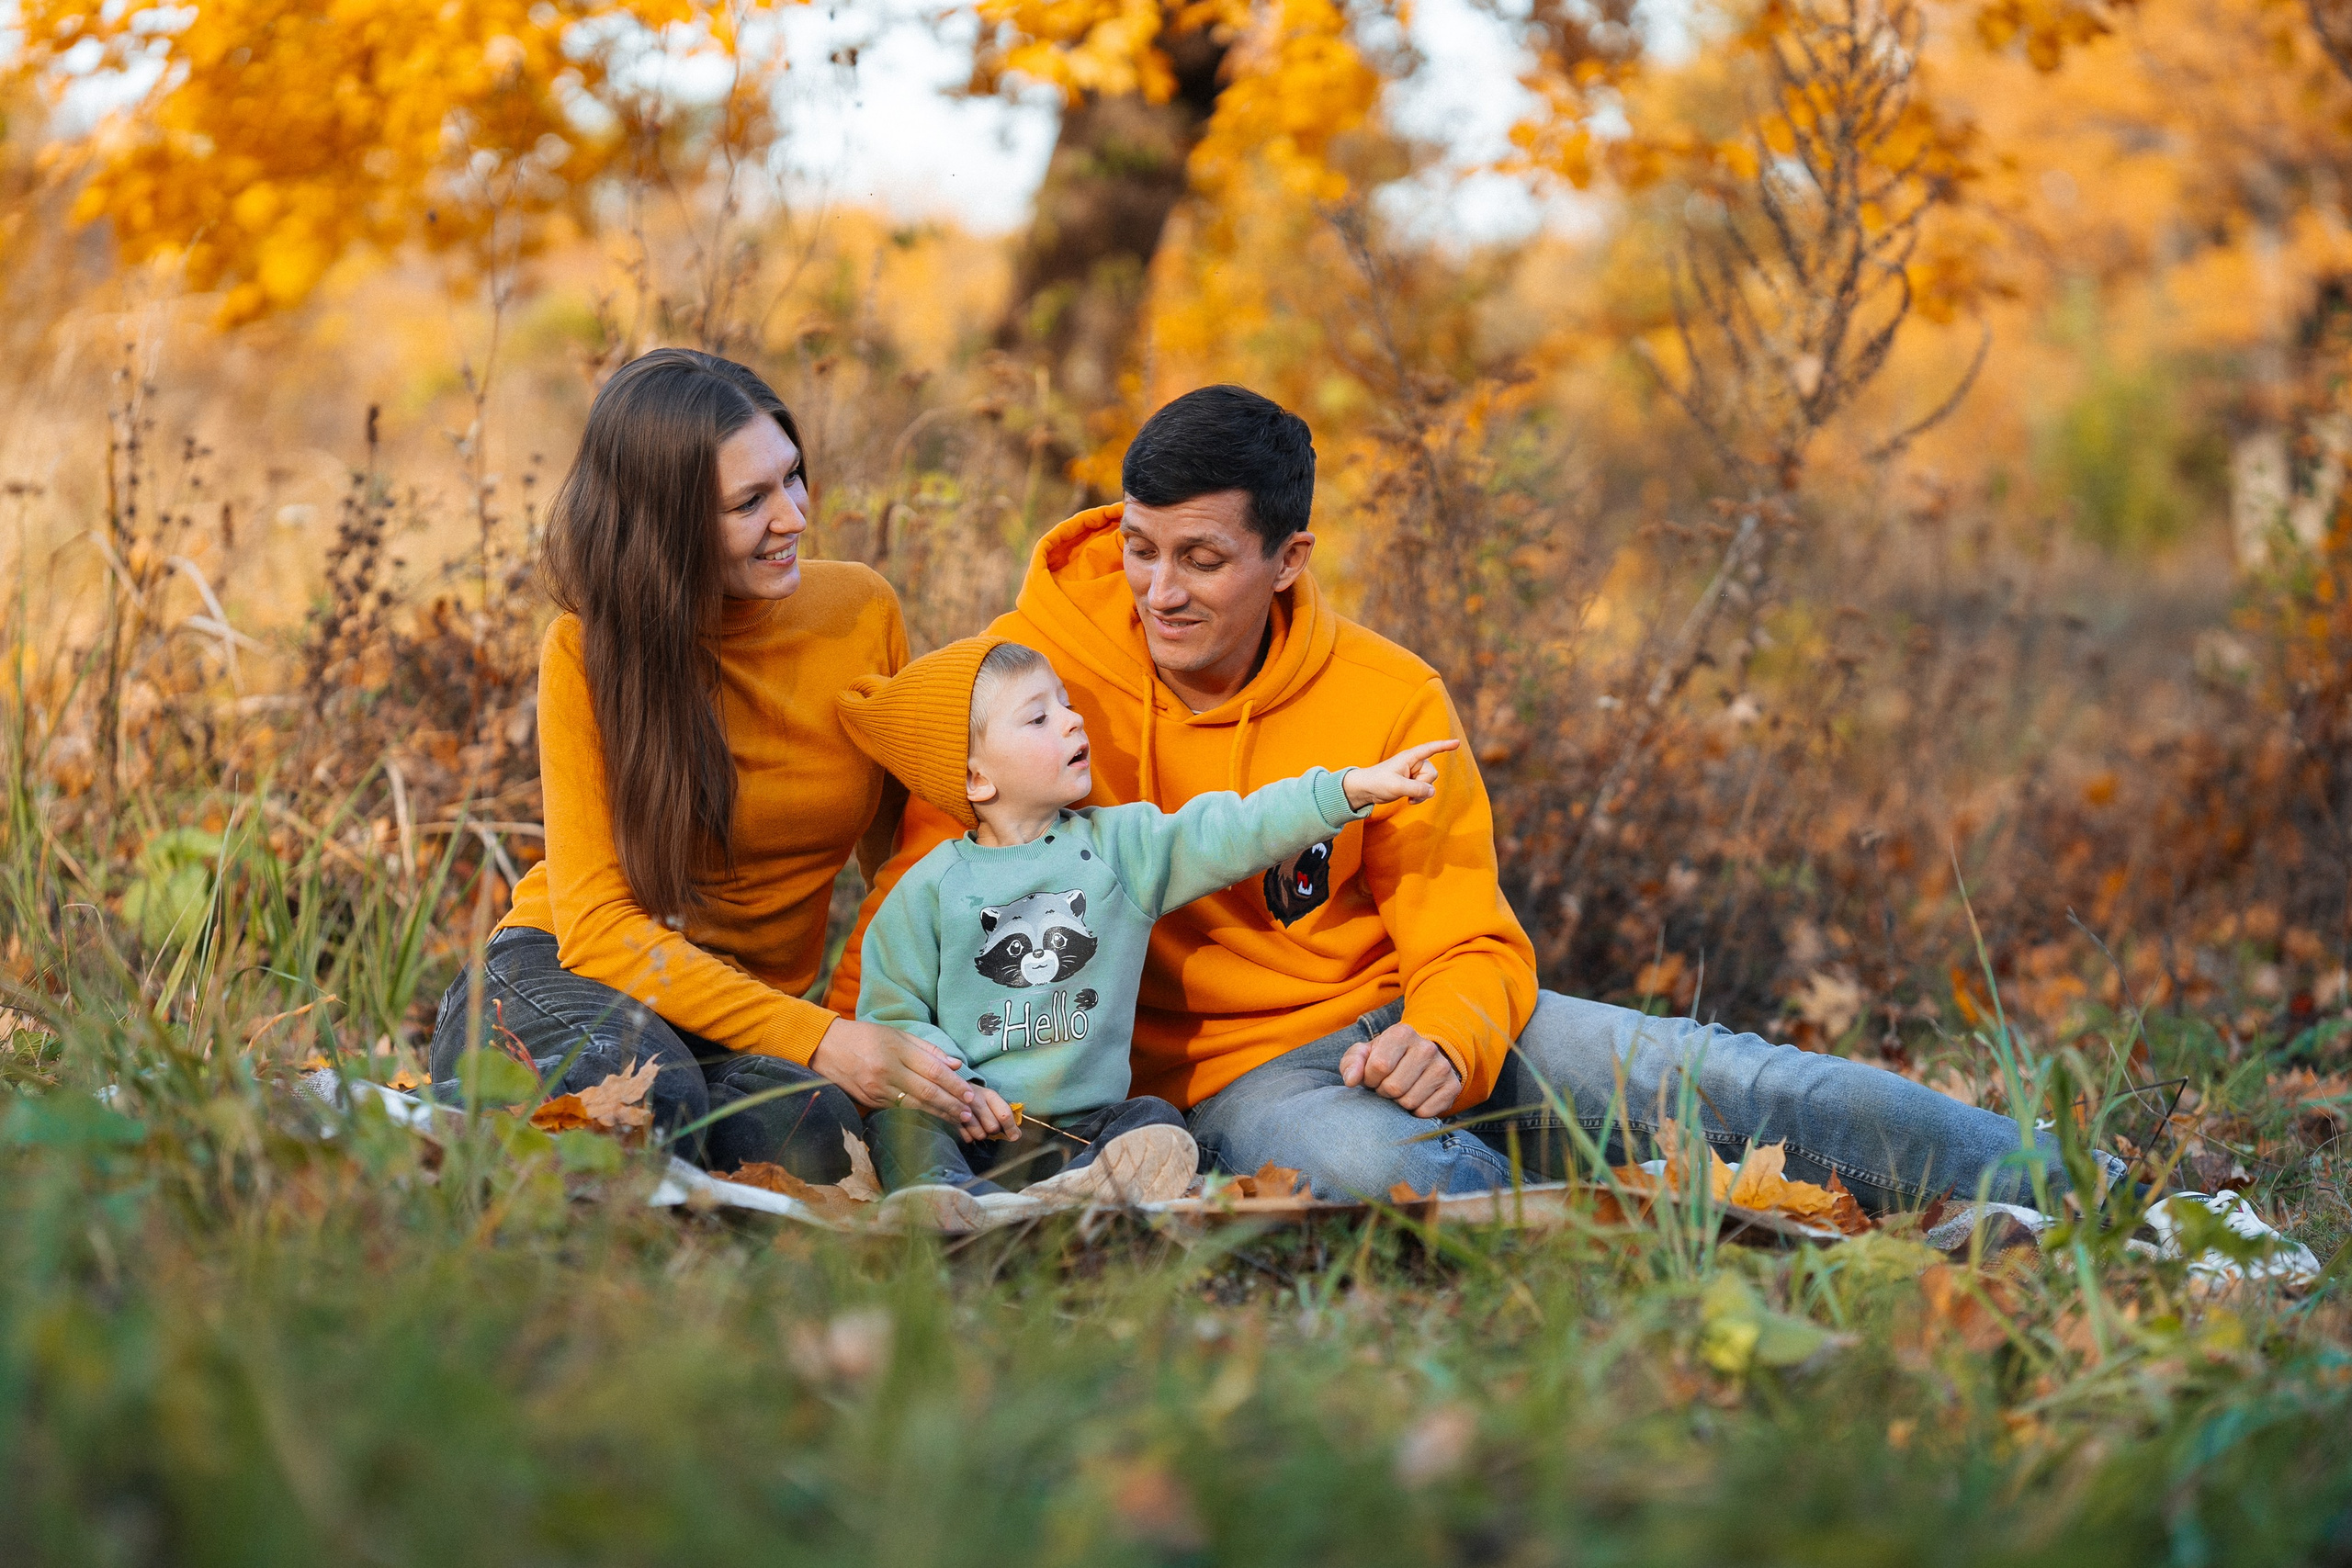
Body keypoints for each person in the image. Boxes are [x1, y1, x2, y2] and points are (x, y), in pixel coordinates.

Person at [826, 384, 2131, 1213]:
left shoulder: (1390, 693)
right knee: (1371, 1170)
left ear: (1288, 560)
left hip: (1411, 1010)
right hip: (1223, 1078)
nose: (1160, 591)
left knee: (1727, 1073)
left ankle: (2091, 1195)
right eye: (1142, 549)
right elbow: (939, 889)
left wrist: (1448, 1031)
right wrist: (857, 1062)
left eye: (1203, 560)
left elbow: (1461, 917)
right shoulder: (1037, 679)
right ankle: (1665, 1261)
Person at [425, 348, 990, 1179]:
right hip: (562, 977)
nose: (794, 516)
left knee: (815, 1135)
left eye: (793, 477)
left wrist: (911, 1026)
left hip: (739, 1018)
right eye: (749, 502)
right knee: (642, 1100)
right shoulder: (587, 651)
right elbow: (599, 928)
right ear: (668, 525)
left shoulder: (860, 611)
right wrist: (825, 1038)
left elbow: (905, 867)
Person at [831, 634, 1456, 1226]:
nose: (1072, 721)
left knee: (1155, 1119)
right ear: (976, 778)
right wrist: (956, 1090)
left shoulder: (1119, 849)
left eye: (1067, 704)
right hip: (970, 1127)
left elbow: (1229, 830)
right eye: (1038, 718)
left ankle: (1068, 1197)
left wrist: (1344, 790)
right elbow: (890, 1015)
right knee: (901, 1127)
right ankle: (960, 1206)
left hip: (1086, 1128)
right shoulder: (929, 891)